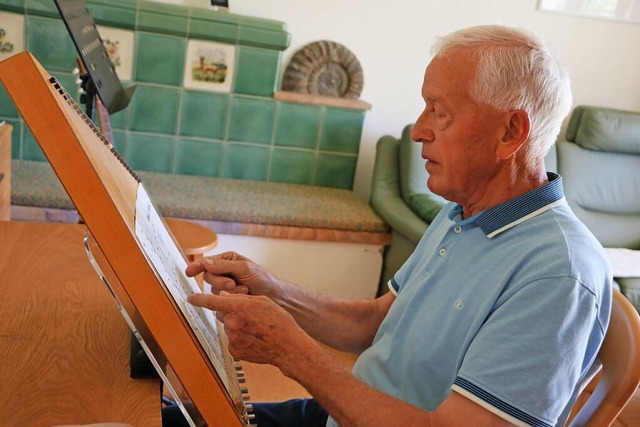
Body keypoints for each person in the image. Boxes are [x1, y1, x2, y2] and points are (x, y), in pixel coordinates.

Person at [171, 24, 613, 427]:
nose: (418, 130)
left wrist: (293, 353)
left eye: (439, 112)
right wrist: (273, 289)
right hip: (341, 413)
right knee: (160, 416)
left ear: (511, 132)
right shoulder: (462, 214)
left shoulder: (558, 274)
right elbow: (377, 321)